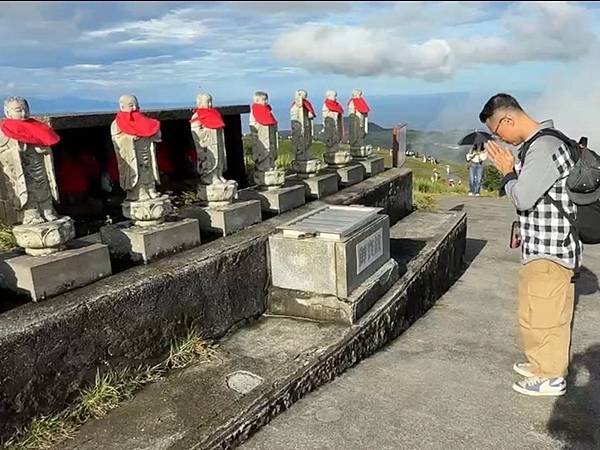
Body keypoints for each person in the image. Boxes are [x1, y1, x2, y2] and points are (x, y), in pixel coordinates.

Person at [481, 93, 581, 397]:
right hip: (539, 244)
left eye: (498, 131)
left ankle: (550, 375)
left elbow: (522, 196)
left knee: (547, 314)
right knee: (534, 311)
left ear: (508, 119)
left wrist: (508, 172)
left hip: (551, 248)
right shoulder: (538, 146)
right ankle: (539, 362)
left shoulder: (544, 147)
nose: (502, 139)